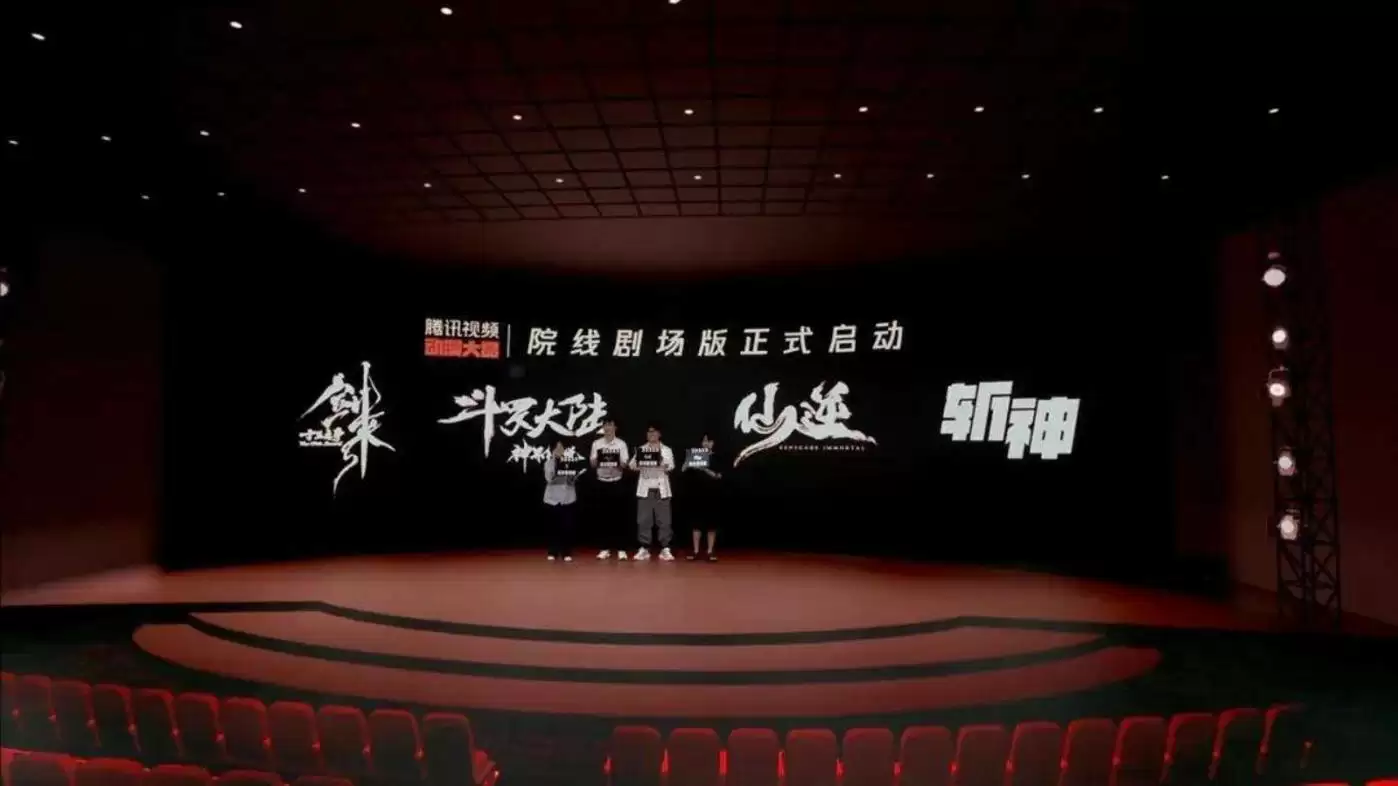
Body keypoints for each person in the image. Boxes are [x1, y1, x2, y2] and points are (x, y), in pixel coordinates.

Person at [629, 424, 676, 561]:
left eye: (654, 432)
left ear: (659, 434)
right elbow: (631, 465)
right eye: (649, 432)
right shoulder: (641, 449)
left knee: (664, 521)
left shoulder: (666, 450)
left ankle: (665, 548)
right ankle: (644, 548)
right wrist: (639, 463)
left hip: (662, 489)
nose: (651, 434)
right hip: (645, 488)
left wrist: (661, 462)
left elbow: (671, 466)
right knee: (644, 520)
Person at [589, 418, 631, 560]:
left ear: (615, 427)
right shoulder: (597, 443)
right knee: (603, 517)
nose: (607, 428)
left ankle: (621, 549)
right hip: (601, 483)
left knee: (619, 517)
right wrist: (599, 458)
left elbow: (625, 464)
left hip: (617, 482)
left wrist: (614, 458)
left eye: (610, 425)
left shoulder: (621, 444)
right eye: (605, 425)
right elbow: (592, 464)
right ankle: (604, 548)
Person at [681, 434, 723, 561]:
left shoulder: (717, 457)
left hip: (712, 495)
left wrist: (704, 469)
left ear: (713, 443)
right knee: (696, 524)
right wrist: (688, 463)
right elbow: (683, 470)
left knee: (711, 525)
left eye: (709, 441)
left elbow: (718, 476)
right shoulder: (694, 455)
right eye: (704, 441)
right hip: (696, 494)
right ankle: (695, 551)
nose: (706, 443)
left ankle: (710, 551)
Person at [542, 441, 582, 562]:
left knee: (567, 527)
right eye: (557, 448)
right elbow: (549, 479)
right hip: (552, 499)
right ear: (552, 450)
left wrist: (572, 476)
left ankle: (566, 552)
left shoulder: (570, 462)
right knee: (553, 527)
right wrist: (557, 467)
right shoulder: (549, 463)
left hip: (568, 498)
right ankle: (552, 551)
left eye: (561, 448)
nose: (560, 450)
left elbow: (573, 479)